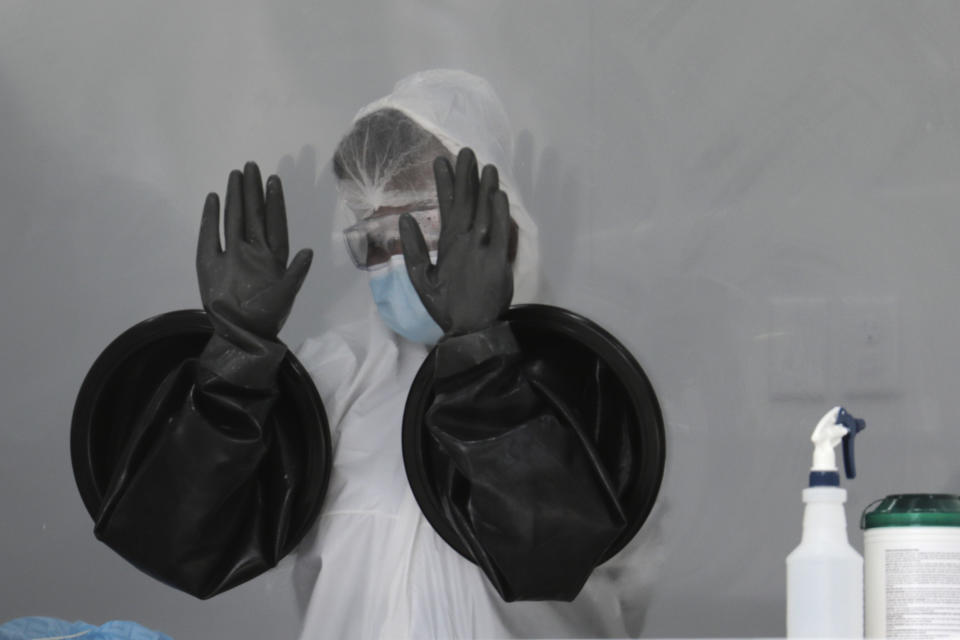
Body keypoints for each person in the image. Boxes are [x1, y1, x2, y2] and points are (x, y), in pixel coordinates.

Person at [90, 70, 650, 639]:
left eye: (420, 227)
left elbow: (553, 557)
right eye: (373, 237)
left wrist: (481, 357)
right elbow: (175, 545)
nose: (394, 259)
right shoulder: (332, 380)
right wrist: (236, 362)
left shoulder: (589, 381)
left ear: (493, 215)